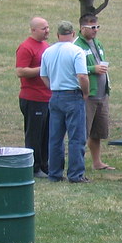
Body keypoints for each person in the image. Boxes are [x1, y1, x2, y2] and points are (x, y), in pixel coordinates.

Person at [39, 21, 90, 183]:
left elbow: (43, 76)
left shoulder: (48, 51)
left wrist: (53, 87)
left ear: (58, 35)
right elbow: (82, 76)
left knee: (55, 137)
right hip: (73, 96)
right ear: (73, 34)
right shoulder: (77, 51)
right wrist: (85, 93)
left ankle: (54, 173)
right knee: (76, 137)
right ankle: (75, 174)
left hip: (55, 96)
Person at [74, 14, 113, 170]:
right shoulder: (76, 45)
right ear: (82, 27)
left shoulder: (98, 43)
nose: (96, 30)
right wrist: (93, 69)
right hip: (87, 95)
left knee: (98, 132)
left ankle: (97, 162)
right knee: (83, 131)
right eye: (92, 27)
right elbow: (75, 69)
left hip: (102, 94)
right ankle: (79, 164)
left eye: (97, 27)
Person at [15, 16, 52, 177]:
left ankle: (45, 165)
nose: (47, 31)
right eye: (43, 28)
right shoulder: (26, 47)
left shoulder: (45, 46)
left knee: (47, 134)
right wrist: (42, 69)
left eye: (48, 27)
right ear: (33, 30)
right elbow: (20, 71)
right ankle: (34, 167)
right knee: (34, 135)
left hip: (47, 97)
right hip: (32, 98)